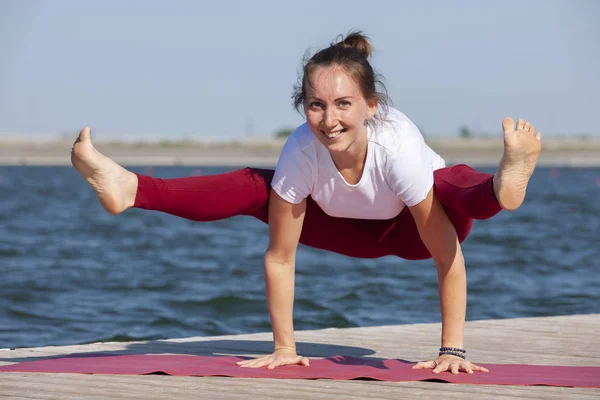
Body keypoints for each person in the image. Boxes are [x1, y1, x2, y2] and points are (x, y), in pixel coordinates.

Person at [71, 31, 542, 375]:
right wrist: (284, 346)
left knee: (448, 183)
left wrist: (452, 350)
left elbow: (447, 256)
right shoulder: (301, 150)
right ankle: (132, 188)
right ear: (303, 106)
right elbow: (280, 256)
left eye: (343, 104)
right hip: (339, 227)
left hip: (412, 231)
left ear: (370, 106)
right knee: (260, 186)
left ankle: (502, 186)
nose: (329, 119)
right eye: (316, 105)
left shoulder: (396, 148)